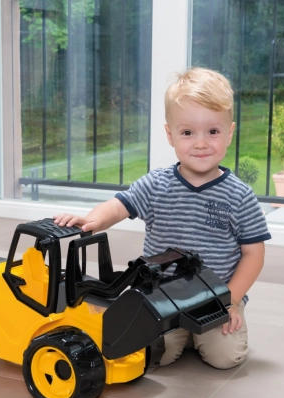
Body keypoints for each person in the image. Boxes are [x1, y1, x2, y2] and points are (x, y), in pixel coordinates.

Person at [53, 67, 271, 370]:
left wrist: (230, 300)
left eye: (212, 132)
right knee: (152, 355)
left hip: (216, 298)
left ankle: (201, 333)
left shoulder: (239, 195)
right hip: (161, 295)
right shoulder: (156, 184)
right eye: (187, 133)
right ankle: (181, 334)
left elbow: (253, 254)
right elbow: (118, 206)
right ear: (170, 135)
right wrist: (92, 220)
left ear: (229, 133)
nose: (201, 143)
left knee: (225, 358)